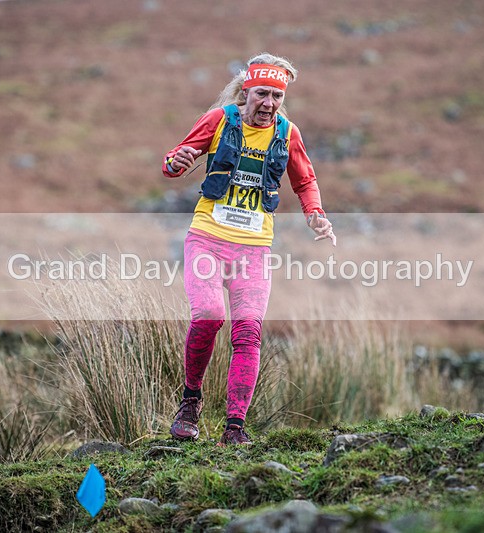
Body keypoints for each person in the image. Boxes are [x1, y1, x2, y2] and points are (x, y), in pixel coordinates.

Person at [162, 52, 336, 446]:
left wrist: (316, 215)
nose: (269, 104)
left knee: (248, 331)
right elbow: (172, 162)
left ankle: (235, 428)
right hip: (207, 236)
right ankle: (190, 401)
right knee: (208, 314)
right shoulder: (220, 119)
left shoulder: (287, 133)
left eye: (276, 96)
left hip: (254, 248)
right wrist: (178, 162)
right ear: (246, 91)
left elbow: (305, 182)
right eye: (262, 94)